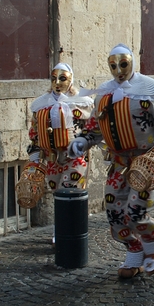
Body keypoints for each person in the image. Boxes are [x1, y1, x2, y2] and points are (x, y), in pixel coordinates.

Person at [68, 44, 154, 278]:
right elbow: (95, 127)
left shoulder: (151, 90)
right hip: (118, 164)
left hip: (145, 164)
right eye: (113, 65)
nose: (119, 70)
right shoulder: (105, 95)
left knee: (135, 212)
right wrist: (84, 141)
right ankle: (134, 253)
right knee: (114, 214)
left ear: (132, 62)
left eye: (123, 64)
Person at [27, 63, 94, 243]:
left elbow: (93, 129)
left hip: (74, 157)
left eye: (62, 78)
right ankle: (61, 232)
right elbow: (34, 134)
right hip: (52, 159)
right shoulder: (42, 104)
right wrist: (34, 158)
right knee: (59, 196)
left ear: (70, 79)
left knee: (70, 191)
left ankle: (72, 234)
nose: (57, 82)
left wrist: (83, 143)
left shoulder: (82, 103)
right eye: (53, 78)